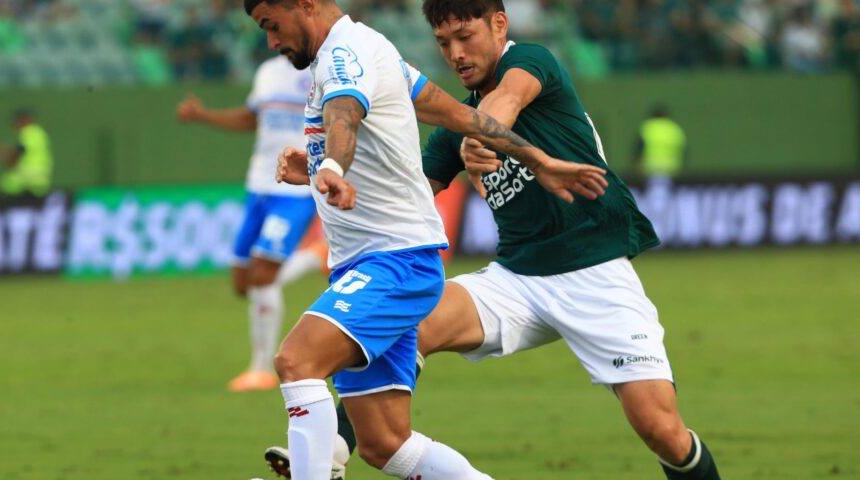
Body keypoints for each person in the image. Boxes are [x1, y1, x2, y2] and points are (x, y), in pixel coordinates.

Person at [265, 1, 722, 479]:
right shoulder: (456, 127)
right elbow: (408, 193)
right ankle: (332, 449)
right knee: (405, 325)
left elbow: (505, 101)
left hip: (596, 273)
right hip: (517, 279)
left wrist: (480, 138)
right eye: (444, 43)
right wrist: (320, 170)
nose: (457, 53)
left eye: (466, 36)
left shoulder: (530, 62)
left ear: (498, 24)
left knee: (661, 430)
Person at [177, 55, 320, 392]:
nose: (273, 38)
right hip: (257, 186)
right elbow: (250, 118)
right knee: (244, 283)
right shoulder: (268, 72)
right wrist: (203, 115)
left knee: (263, 274)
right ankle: (313, 257)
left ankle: (261, 369)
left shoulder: (323, 68)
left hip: (296, 189)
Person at [0, 108, 53, 197]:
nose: (15, 125)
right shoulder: (37, 134)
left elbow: (15, 152)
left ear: (24, 120)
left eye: (17, 121)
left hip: (27, 184)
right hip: (35, 184)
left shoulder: (31, 133)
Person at [633, 104, 687, 182]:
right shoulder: (675, 129)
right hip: (673, 172)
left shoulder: (647, 128)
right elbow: (684, 151)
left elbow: (638, 152)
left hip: (650, 172)